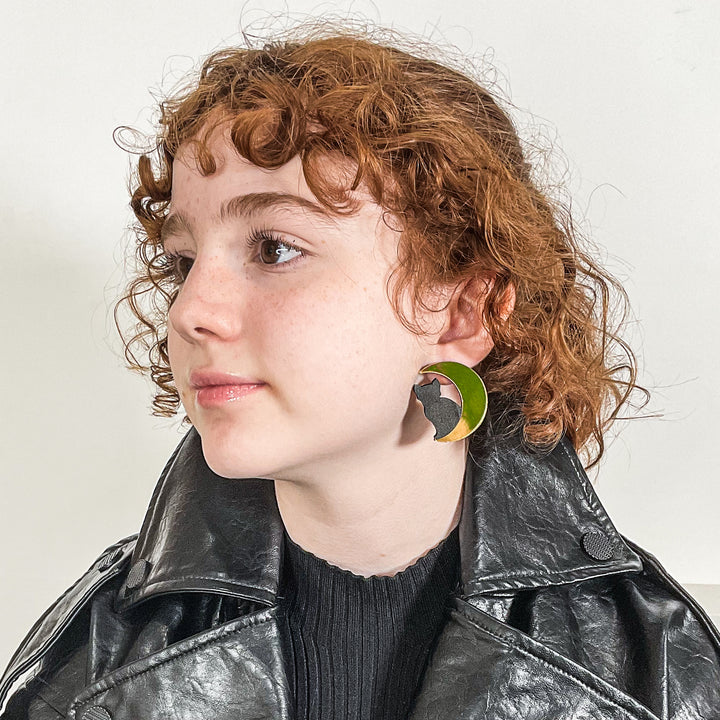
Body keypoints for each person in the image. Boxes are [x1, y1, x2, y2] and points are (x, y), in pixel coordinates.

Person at [1, 23, 719, 720]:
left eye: (275, 248)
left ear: (463, 313)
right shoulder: (87, 668)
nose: (190, 311)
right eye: (184, 261)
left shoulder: (654, 668)